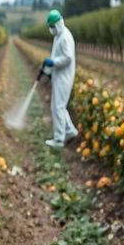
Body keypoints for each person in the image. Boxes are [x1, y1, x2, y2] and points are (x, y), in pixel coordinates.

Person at [43, 9, 78, 148]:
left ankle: (59, 140)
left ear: (57, 24)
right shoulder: (58, 35)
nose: (51, 29)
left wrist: (54, 62)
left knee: (58, 107)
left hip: (64, 78)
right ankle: (70, 131)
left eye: (52, 26)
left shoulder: (64, 37)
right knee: (59, 107)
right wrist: (49, 69)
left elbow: (68, 58)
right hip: (59, 76)